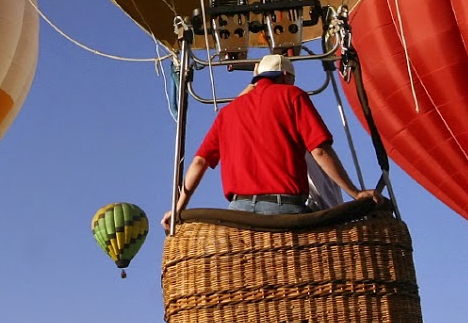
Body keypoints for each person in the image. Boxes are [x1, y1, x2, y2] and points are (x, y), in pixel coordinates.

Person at [162, 53, 378, 231]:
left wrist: (179, 207)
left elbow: (199, 162)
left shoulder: (228, 113)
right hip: (285, 211)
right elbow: (319, 151)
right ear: (285, 75)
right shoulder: (292, 95)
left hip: (238, 216)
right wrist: (355, 193)